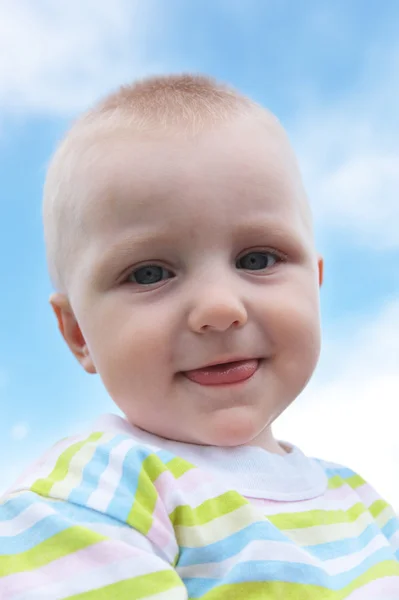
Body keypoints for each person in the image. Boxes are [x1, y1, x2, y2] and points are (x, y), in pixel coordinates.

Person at [1, 74, 398, 599]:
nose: (218, 309)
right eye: (149, 273)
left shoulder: (364, 507)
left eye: (257, 259)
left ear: (316, 286)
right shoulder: (88, 497)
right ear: (78, 334)